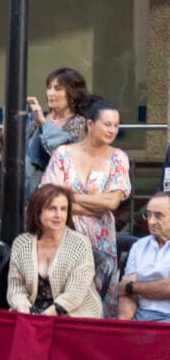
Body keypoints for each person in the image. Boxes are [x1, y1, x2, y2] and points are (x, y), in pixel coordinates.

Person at [41, 98, 131, 318]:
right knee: (61, 299)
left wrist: (71, 196)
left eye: (116, 125)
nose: (112, 130)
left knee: (97, 301)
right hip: (63, 234)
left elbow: (111, 203)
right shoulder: (62, 154)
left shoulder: (118, 158)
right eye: (107, 124)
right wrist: (92, 205)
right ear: (90, 124)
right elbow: (48, 200)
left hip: (100, 238)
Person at [7, 184, 102, 318]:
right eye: (52, 209)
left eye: (63, 209)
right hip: (30, 315)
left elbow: (74, 295)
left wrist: (42, 318)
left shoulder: (80, 244)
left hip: (72, 316)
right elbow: (16, 287)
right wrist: (24, 310)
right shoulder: (21, 243)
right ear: (37, 211)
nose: (58, 215)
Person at [25, 67, 88, 194]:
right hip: (27, 189)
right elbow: (17, 151)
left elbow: (62, 154)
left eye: (57, 89)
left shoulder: (78, 122)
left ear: (72, 94)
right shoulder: (38, 117)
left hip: (57, 192)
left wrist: (43, 122)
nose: (50, 93)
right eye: (49, 87)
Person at [118, 192, 170, 322]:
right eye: (148, 214)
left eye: (158, 215)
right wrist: (124, 323)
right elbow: (127, 295)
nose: (151, 221)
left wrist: (132, 286)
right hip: (140, 315)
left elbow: (167, 288)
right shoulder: (138, 247)